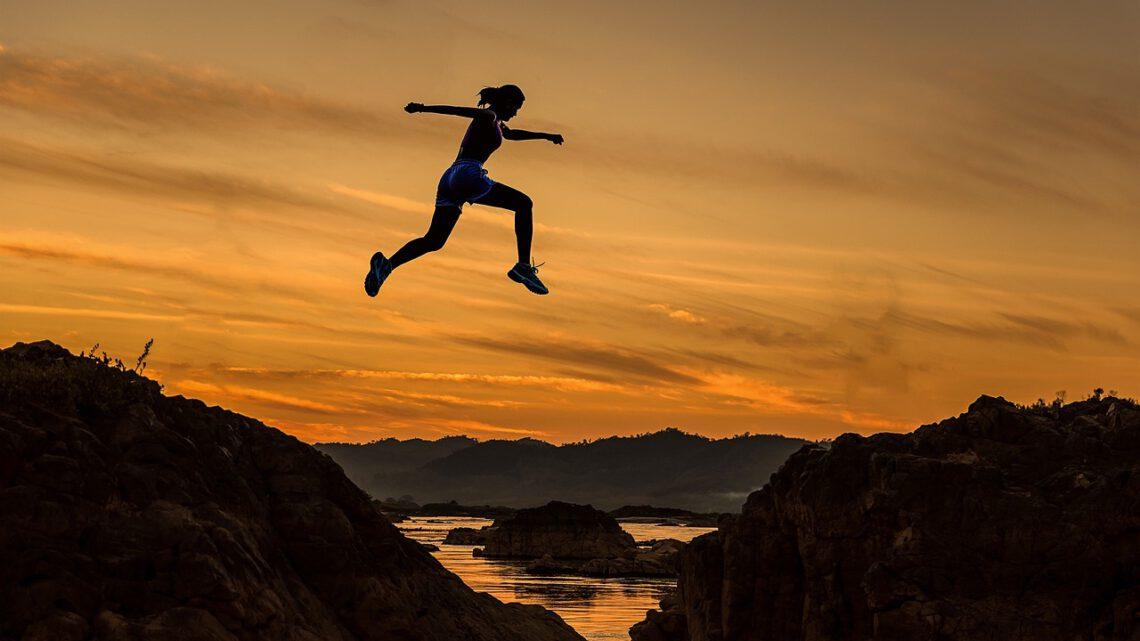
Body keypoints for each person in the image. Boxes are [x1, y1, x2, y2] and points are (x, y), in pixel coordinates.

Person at [364, 84, 564, 297]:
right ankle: (523, 266)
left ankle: (387, 265)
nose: (515, 113)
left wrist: (546, 135)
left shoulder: (497, 123)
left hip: (450, 177)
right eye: (515, 107)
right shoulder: (488, 116)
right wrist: (422, 108)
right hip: (468, 173)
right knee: (523, 203)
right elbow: (457, 111)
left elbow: (512, 134)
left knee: (434, 240)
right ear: (507, 102)